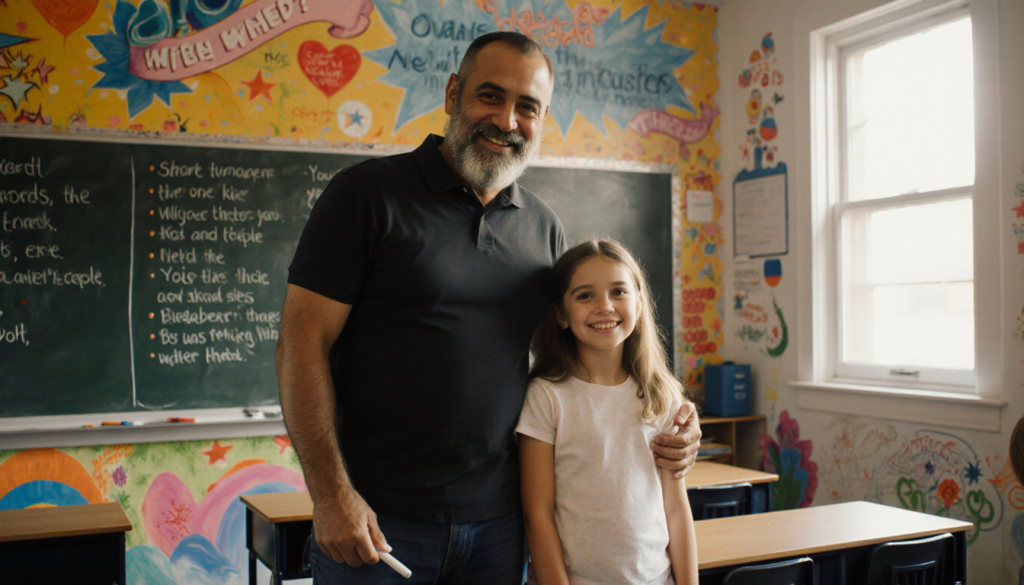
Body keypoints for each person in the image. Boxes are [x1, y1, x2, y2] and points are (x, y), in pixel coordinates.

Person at [276, 32, 702, 585]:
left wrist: (675, 420)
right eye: (490, 96)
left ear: (542, 119)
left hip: (501, 526)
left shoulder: (543, 227)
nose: (506, 120)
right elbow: (301, 343)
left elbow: (579, 365)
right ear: (453, 93)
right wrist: (331, 495)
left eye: (528, 107)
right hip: (379, 521)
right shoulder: (366, 196)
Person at [517, 239, 699, 585]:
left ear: (640, 303)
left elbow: (676, 510)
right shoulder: (546, 397)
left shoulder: (662, 396)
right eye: (585, 295)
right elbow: (537, 515)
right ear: (560, 315)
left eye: (619, 291)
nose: (605, 306)